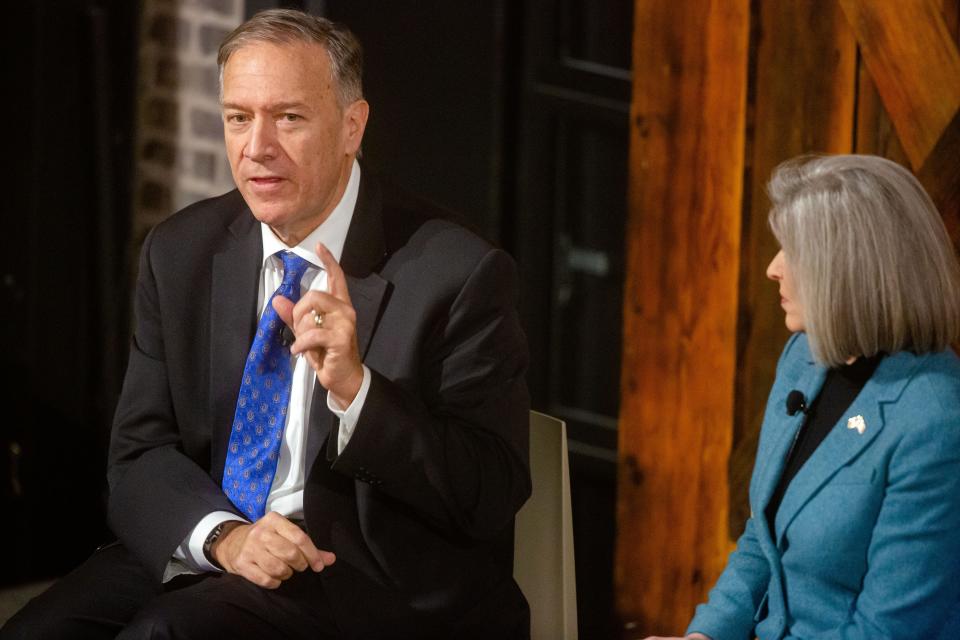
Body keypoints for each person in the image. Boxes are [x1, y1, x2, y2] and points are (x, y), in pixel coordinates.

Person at [2, 9, 531, 640]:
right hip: (224, 540)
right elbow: (140, 451)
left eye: (289, 117)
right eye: (238, 118)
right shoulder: (182, 251)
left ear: (351, 127)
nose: (257, 148)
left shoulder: (458, 274)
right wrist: (225, 538)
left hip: (365, 582)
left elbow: (491, 492)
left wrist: (357, 392)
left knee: (166, 634)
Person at [646, 154, 960, 640]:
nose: (773, 269)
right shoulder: (805, 356)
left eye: (793, 252)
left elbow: (889, 632)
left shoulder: (935, 422)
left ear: (850, 271)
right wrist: (704, 636)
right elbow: (762, 536)